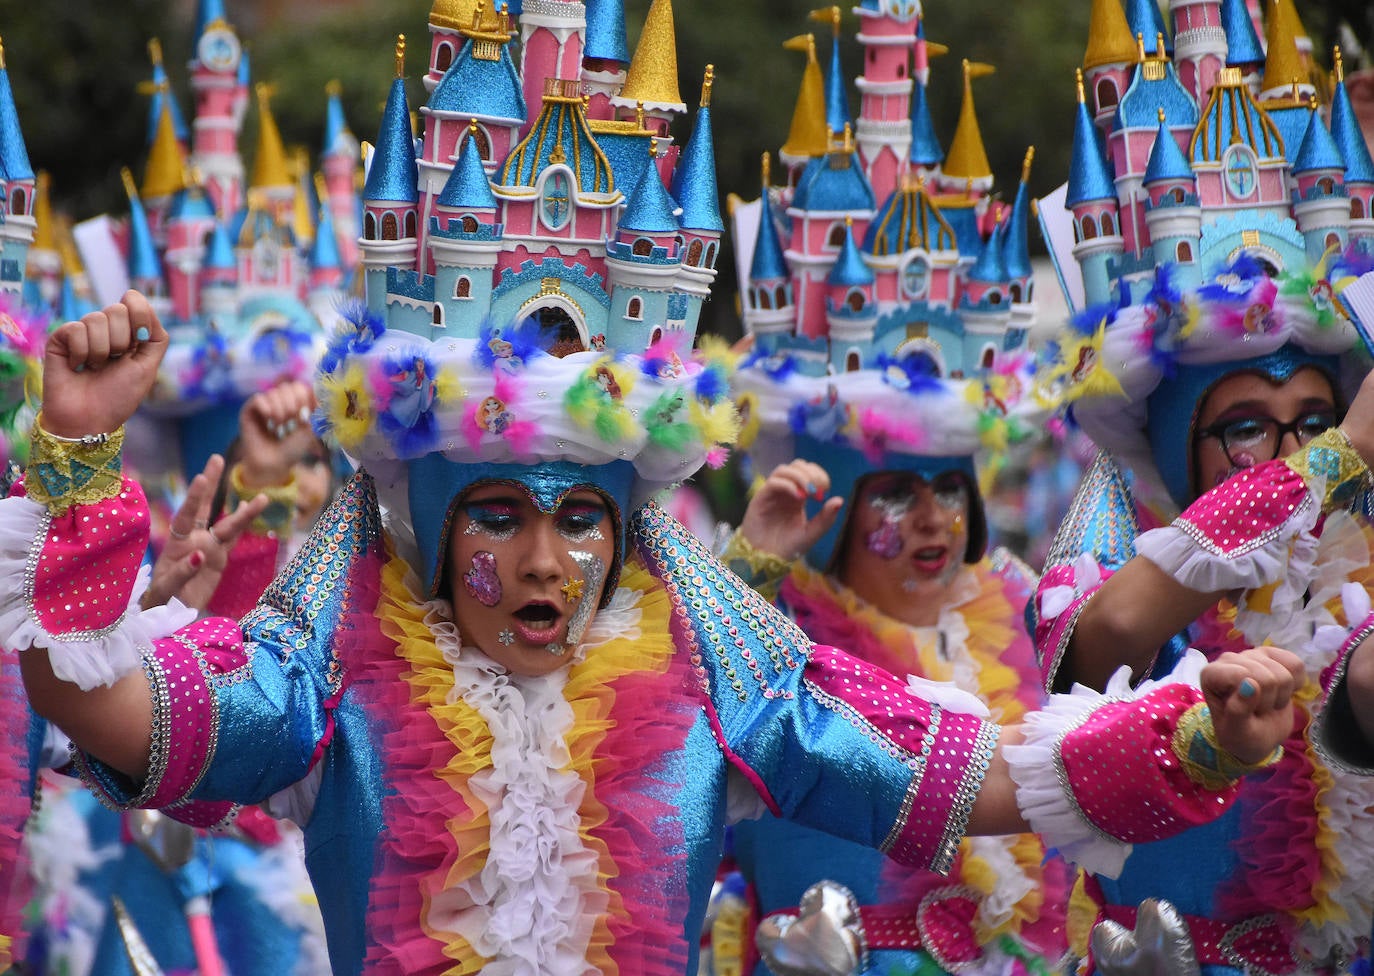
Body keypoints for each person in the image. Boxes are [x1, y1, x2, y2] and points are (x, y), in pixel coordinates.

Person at [4, 291, 1305, 976]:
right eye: (496, 516)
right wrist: (72, 453)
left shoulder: (712, 667)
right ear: (429, 520)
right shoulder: (330, 666)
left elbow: (975, 777)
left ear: (626, 528)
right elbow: (109, 709)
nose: (538, 562)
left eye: (579, 521)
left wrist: (1196, 739)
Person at [1033, 251, 1374, 973]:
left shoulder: (1353, 583)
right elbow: (1117, 631)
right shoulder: (1104, 571)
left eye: (1315, 423)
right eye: (1247, 429)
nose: (1289, 453)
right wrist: (1337, 455)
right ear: (1175, 443)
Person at [712, 355, 1066, 972]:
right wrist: (748, 569)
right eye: (898, 495)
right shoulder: (782, 643)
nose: (933, 518)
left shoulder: (1025, 620)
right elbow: (687, 701)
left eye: (950, 490)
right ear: (840, 514)